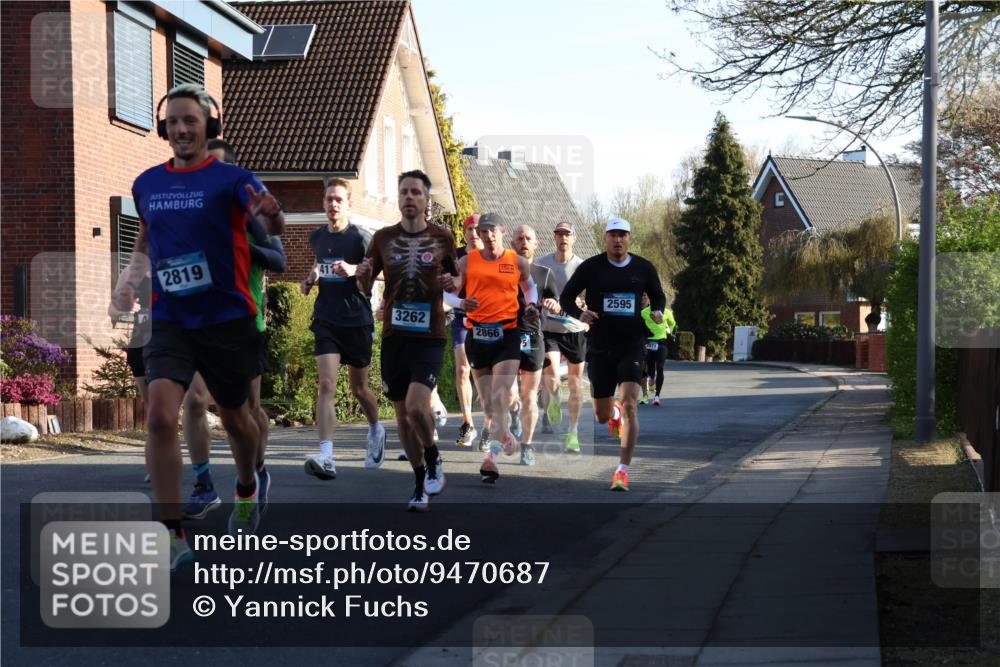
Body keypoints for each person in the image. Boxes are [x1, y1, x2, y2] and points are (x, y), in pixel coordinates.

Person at [112, 84, 285, 567]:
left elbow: (271, 226)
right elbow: (145, 242)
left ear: (210, 126)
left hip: (227, 318)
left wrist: (272, 216)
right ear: (163, 127)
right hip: (170, 319)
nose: (181, 129)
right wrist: (128, 282)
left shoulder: (234, 179)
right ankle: (172, 532)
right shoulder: (147, 184)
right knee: (159, 417)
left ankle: (247, 486)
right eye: (173, 122)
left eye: (190, 120)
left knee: (236, 419)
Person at [178, 138, 286, 520]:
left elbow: (279, 259)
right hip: (195, 324)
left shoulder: (250, 214)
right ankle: (204, 484)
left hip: (243, 323)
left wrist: (238, 246)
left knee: (244, 412)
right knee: (194, 401)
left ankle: (256, 473)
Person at [356, 170, 458, 511]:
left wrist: (451, 283)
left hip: (430, 336)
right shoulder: (382, 238)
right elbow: (365, 287)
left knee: (416, 406)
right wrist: (363, 278)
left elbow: (457, 280)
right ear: (398, 198)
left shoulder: (443, 237)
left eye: (416, 192)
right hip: (394, 337)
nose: (409, 197)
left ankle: (433, 455)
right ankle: (419, 482)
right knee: (401, 417)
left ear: (427, 200)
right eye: (404, 192)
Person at [559, 217, 666, 492]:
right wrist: (579, 313)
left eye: (623, 235)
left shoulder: (643, 267)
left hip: (632, 344)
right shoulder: (591, 267)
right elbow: (566, 297)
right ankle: (613, 414)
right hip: (599, 346)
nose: (618, 240)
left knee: (630, 403)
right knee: (601, 415)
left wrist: (657, 310)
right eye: (613, 235)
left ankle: (622, 471)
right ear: (605, 238)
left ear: (629, 238)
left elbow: (659, 295)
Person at [444, 213, 539, 484]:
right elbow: (448, 294)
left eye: (492, 230)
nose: (487, 236)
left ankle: (491, 459)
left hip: (508, 334)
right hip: (477, 336)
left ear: (502, 231)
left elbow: (529, 288)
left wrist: (531, 305)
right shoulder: (467, 261)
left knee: (499, 396)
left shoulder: (516, 261)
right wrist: (460, 303)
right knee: (488, 406)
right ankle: (505, 433)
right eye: (482, 231)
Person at [300, 178, 385, 478]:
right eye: (329, 199)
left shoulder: (361, 238)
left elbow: (381, 273)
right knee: (326, 384)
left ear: (349, 204)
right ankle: (327, 457)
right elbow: (319, 261)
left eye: (338, 199)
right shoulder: (317, 236)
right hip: (326, 319)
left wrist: (355, 270)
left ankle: (376, 428)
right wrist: (311, 279)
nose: (333, 204)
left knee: (359, 389)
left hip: (356, 320)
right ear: (323, 203)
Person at [535, 222, 588, 452]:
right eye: (559, 234)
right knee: (553, 376)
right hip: (549, 329)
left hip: (574, 330)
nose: (563, 238)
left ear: (574, 238)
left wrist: (584, 308)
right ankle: (553, 401)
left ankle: (573, 432)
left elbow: (590, 299)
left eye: (567, 234)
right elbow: (532, 291)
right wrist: (542, 303)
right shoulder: (542, 264)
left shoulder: (582, 267)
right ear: (554, 237)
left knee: (576, 384)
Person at [509, 225, 560, 465]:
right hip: (507, 336)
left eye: (528, 238)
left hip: (532, 336)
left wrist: (552, 305)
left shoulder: (544, 274)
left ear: (536, 244)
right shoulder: (504, 270)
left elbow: (557, 304)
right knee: (509, 394)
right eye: (520, 238)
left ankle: (527, 446)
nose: (524, 242)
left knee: (529, 394)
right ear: (512, 244)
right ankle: (513, 412)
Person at [452, 215, 484, 446]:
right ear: (464, 233)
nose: (474, 233)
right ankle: (468, 423)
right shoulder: (455, 256)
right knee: (463, 369)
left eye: (478, 229)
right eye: (470, 229)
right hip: (462, 319)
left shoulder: (493, 254)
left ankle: (491, 425)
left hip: (489, 321)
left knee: (483, 373)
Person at [639, 293, 676, 406]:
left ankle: (657, 396)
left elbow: (673, 323)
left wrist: (671, 333)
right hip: (648, 343)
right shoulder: (644, 312)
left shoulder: (667, 312)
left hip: (661, 343)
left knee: (660, 367)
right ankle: (651, 378)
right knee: (648, 367)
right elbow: (640, 325)